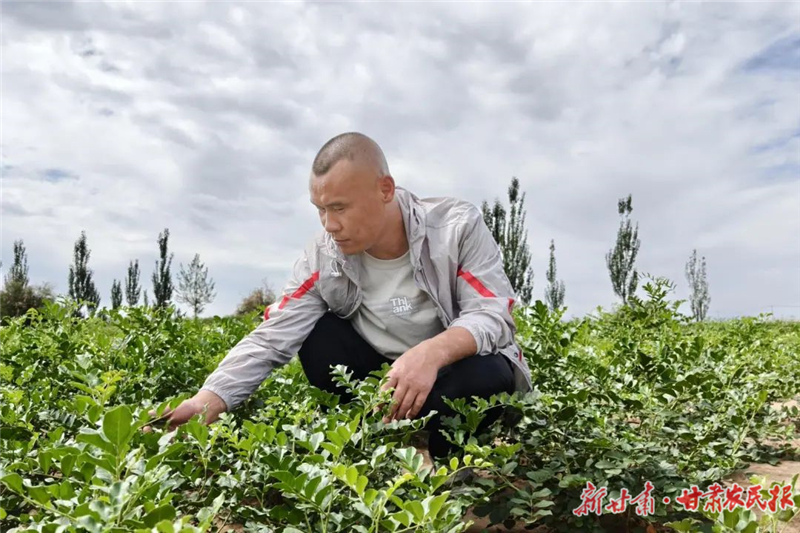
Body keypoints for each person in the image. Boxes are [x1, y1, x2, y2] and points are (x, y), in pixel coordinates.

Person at [155, 132, 532, 457]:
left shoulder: (455, 228)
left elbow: (492, 313)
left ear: (385, 189)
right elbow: (272, 336)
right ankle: (373, 439)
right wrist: (209, 399)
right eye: (320, 210)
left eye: (339, 208)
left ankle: (440, 454)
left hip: (447, 377)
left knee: (488, 373)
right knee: (315, 334)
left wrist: (430, 354)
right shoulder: (322, 256)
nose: (330, 225)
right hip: (378, 385)